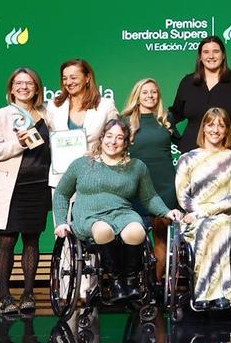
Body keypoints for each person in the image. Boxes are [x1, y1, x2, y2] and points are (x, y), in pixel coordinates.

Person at [52, 119, 181, 297]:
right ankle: (116, 282)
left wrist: (166, 211)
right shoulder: (82, 164)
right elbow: (61, 194)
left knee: (136, 231)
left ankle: (130, 280)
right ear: (102, 138)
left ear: (126, 142)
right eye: (109, 136)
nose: (113, 142)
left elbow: (149, 197)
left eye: (119, 138)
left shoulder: (137, 167)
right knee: (103, 230)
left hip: (122, 213)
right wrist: (60, 222)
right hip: (89, 214)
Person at [0, 68, 50, 315]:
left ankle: (28, 294)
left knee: (32, 240)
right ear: (11, 88)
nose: (24, 87)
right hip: (13, 185)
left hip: (40, 184)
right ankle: (4, 297)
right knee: (7, 240)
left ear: (37, 88)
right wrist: (19, 143)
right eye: (19, 83)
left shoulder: (46, 114)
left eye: (30, 83)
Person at [174, 107, 231, 310]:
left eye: (221, 125)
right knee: (207, 227)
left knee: (218, 225)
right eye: (211, 124)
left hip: (224, 217)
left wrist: (204, 212)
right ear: (203, 128)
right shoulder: (187, 159)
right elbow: (182, 196)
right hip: (194, 219)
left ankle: (209, 292)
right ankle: (216, 293)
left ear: (226, 131)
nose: (215, 129)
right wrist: (197, 214)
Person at [120, 78, 177, 282]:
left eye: (154, 92)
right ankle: (137, 282)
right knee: (137, 236)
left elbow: (186, 144)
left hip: (166, 184)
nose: (150, 96)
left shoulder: (166, 118)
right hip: (136, 184)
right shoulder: (125, 120)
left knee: (162, 236)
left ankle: (157, 283)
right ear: (137, 95)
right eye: (145, 92)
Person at [167, 35, 231, 154]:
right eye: (206, 52)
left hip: (227, 156)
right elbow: (175, 114)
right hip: (192, 155)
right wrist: (175, 137)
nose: (211, 56)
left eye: (216, 51)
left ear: (223, 55)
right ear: (200, 57)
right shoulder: (188, 83)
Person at [45, 58, 118, 190]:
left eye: (73, 77)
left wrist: (97, 153)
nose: (68, 82)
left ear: (87, 78)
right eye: (65, 78)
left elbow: (115, 138)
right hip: (61, 179)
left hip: (96, 176)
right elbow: (48, 138)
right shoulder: (54, 106)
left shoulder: (105, 105)